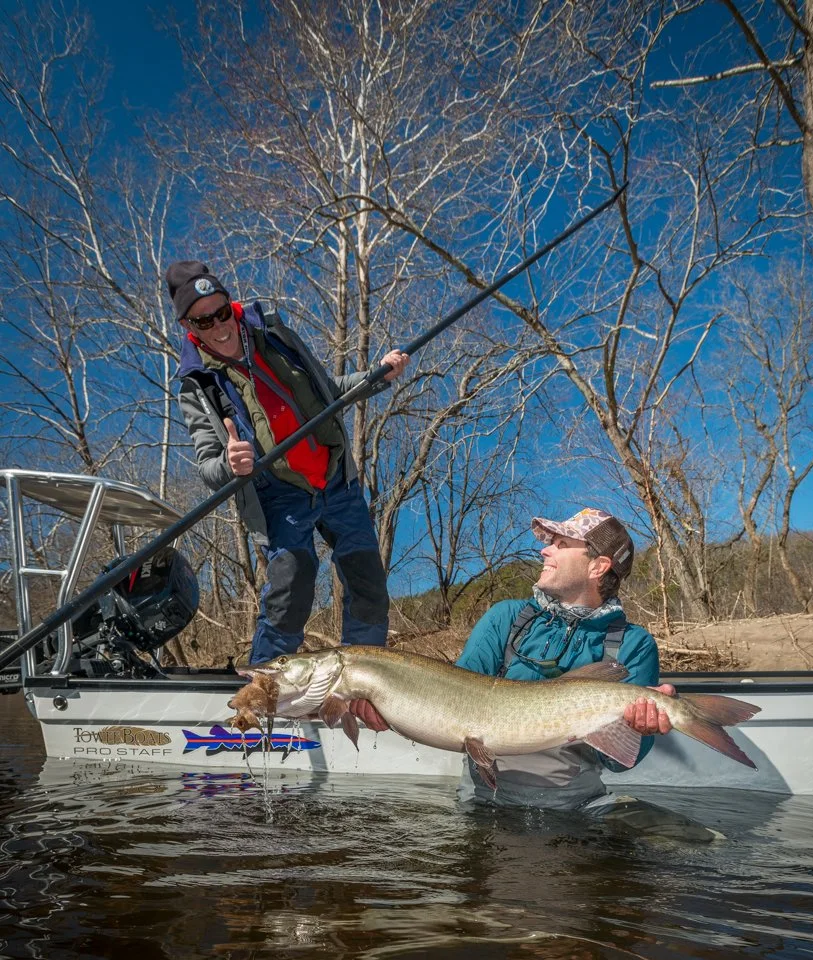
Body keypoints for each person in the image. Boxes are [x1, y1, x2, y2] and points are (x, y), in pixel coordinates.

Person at [351, 506, 676, 810]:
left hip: (572, 811)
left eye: (561, 544)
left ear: (598, 566)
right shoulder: (504, 618)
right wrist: (389, 708)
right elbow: (452, 704)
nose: (544, 550)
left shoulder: (634, 644)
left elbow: (619, 762)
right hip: (484, 804)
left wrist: (640, 729)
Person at [166, 260, 408, 664]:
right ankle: (262, 689)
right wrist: (230, 464)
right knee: (291, 585)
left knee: (367, 580)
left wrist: (376, 376)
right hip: (279, 496)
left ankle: (361, 679)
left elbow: (330, 394)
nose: (220, 326)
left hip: (334, 477)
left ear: (231, 304)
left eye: (222, 312)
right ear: (189, 326)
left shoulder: (274, 334)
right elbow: (209, 465)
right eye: (204, 322)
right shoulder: (195, 384)